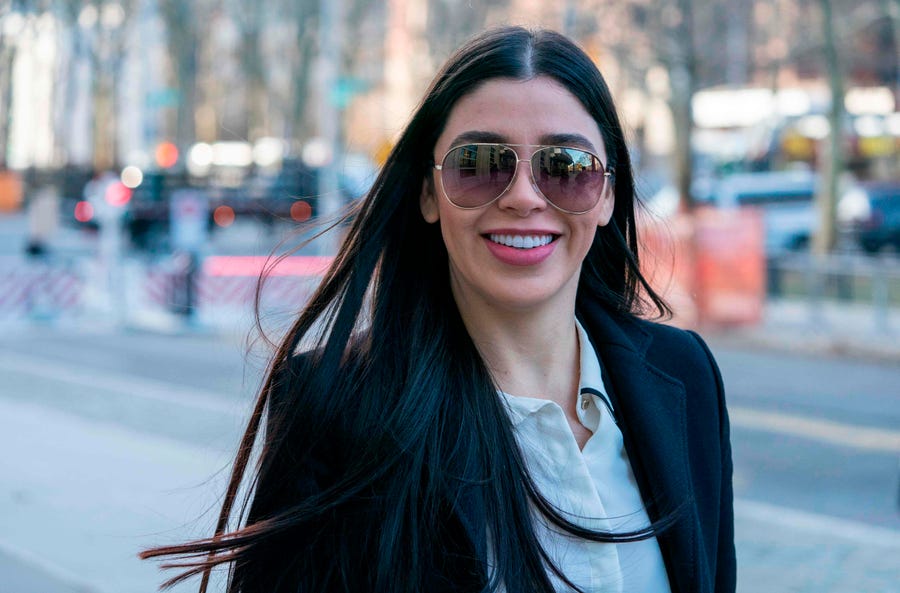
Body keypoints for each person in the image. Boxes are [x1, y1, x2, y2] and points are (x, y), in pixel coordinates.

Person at [142, 26, 735, 593]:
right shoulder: (336, 408)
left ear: (606, 195)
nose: (525, 196)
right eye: (479, 165)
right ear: (428, 193)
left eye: (567, 168)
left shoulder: (684, 376)